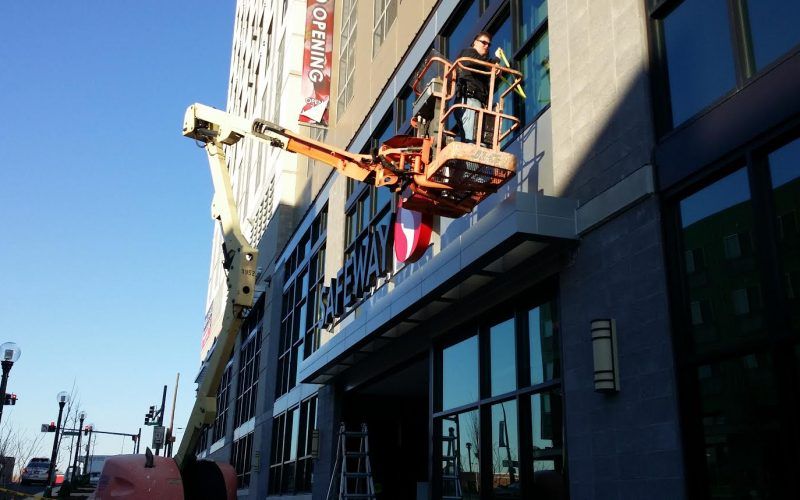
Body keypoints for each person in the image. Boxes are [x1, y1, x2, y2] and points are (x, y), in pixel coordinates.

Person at [454, 31, 498, 143]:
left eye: (489, 44)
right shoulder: (468, 52)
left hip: (476, 103)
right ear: (475, 42)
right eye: (483, 42)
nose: (486, 46)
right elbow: (480, 62)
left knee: (479, 141)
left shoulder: (480, 67)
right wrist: (496, 61)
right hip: (469, 101)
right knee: (472, 141)